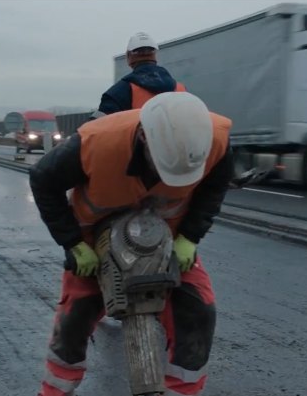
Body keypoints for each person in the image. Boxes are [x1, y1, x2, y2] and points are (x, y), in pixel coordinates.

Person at [29, 92, 234, 396]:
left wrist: (190, 237)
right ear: (142, 137)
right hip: (93, 237)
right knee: (77, 314)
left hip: (169, 236)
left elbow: (214, 188)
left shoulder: (214, 140)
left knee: (198, 310)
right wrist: (73, 244)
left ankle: (181, 391)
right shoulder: (95, 144)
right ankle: (55, 391)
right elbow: (43, 179)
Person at [90, 32, 186, 120]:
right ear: (154, 55)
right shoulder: (181, 89)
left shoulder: (118, 92)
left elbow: (96, 128)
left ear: (128, 56)